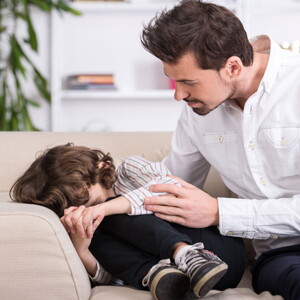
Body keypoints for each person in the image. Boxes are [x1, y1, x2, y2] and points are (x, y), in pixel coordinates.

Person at [140, 1, 300, 300]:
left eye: (188, 82)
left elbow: (213, 211)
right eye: (173, 80)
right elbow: (171, 185)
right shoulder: (197, 112)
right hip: (282, 257)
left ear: (234, 67)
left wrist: (218, 211)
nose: (178, 95)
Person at [10, 143, 237, 300]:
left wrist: (104, 208)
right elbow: (115, 277)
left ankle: (187, 254)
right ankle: (156, 276)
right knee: (95, 230)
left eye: (93, 202)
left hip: (217, 251)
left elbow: (171, 188)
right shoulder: (88, 224)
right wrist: (82, 250)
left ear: (102, 169)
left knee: (114, 211)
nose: (89, 212)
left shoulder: (129, 170)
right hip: (185, 282)